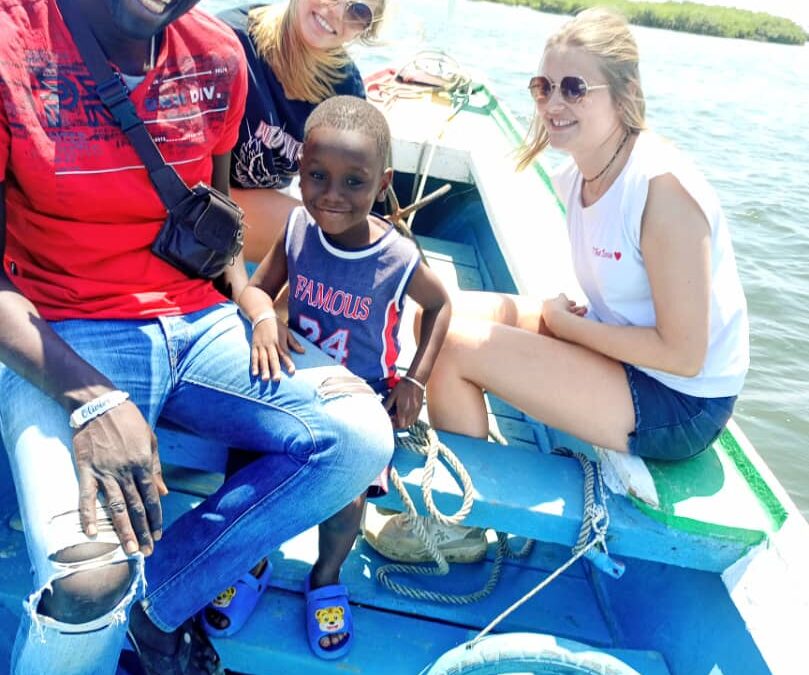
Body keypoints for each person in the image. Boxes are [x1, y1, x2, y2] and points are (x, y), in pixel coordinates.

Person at [0, 1, 393, 674]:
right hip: (61, 328)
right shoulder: (12, 42)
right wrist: (92, 400)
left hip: (198, 320)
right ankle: (113, 612)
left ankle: (157, 607)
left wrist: (251, 300)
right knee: (88, 581)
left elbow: (214, 222)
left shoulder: (217, 54)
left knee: (359, 436)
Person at [369, 6, 750, 558]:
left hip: (681, 402)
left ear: (623, 93)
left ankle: (462, 525)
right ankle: (469, 445)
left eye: (574, 88)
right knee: (443, 311)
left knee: (452, 348)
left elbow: (686, 354)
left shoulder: (661, 192)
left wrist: (561, 327)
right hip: (630, 349)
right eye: (543, 87)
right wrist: (563, 323)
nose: (553, 104)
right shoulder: (581, 169)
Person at [224, 95, 451, 658]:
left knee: (349, 497)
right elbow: (258, 285)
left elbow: (441, 306)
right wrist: (262, 320)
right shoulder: (299, 227)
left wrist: (415, 381)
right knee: (245, 459)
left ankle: (325, 576)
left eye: (354, 182)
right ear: (299, 171)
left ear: (382, 183)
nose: (332, 195)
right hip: (295, 382)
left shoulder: (397, 259)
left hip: (360, 397)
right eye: (318, 176)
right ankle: (250, 557)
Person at [218, 0, 387, 262]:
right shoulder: (226, 41)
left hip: (262, 215)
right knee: (333, 248)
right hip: (198, 204)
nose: (337, 12)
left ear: (365, 29)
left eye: (358, 11)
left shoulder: (344, 88)